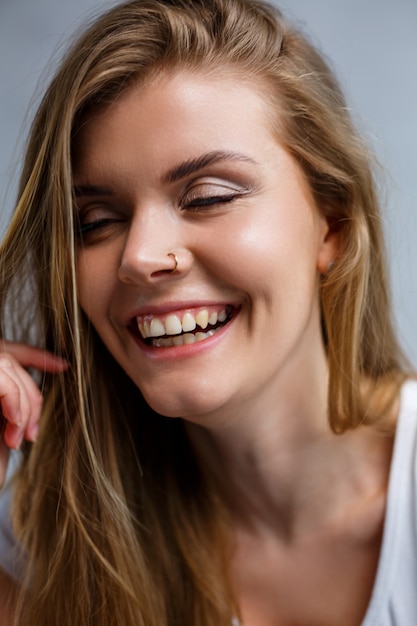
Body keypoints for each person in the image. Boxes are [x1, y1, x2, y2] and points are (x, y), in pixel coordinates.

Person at [0, 0, 414, 624]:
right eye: (97, 221)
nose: (138, 256)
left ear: (334, 225)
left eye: (208, 197)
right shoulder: (48, 554)